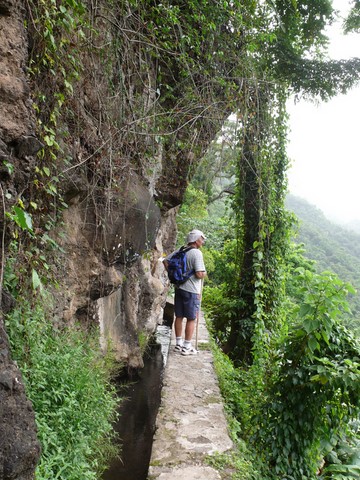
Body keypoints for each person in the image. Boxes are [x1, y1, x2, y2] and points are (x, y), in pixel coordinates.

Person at [164, 229, 207, 356]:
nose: (203, 241)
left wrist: (174, 276)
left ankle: (178, 344)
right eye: (201, 239)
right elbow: (199, 274)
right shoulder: (197, 253)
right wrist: (204, 273)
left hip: (179, 288)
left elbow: (166, 261)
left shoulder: (181, 250)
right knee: (191, 318)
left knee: (179, 316)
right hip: (192, 291)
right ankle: (187, 346)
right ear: (196, 240)